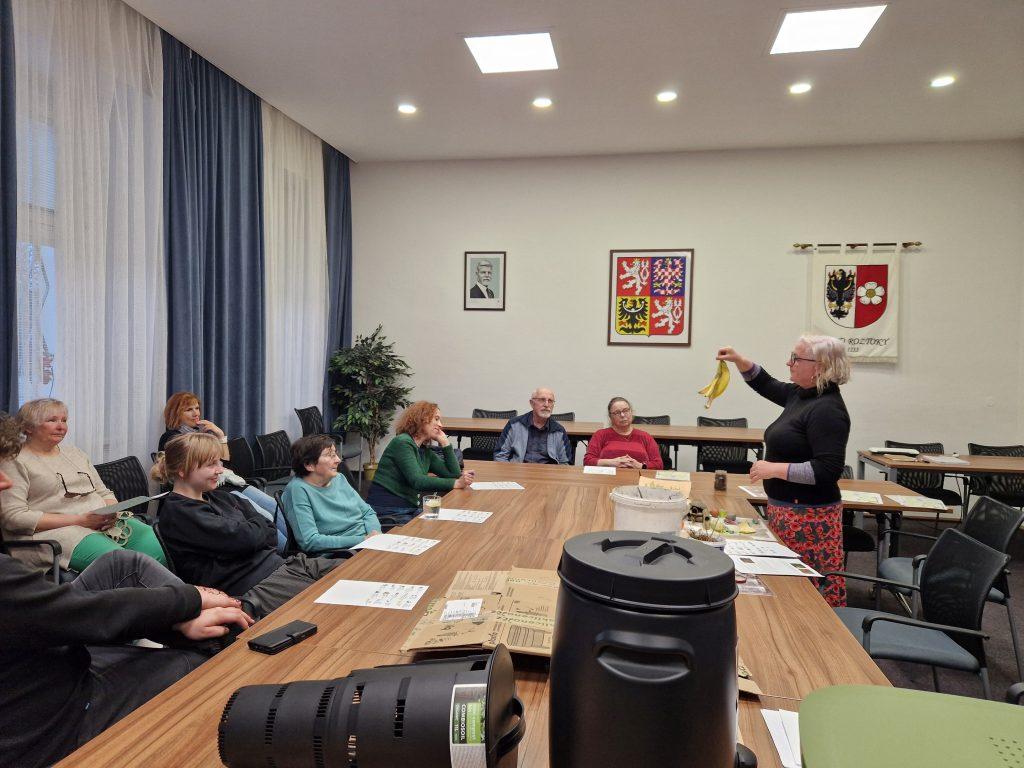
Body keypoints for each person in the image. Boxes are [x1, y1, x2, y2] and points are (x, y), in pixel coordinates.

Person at [0, 411, 253, 768]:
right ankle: (226, 635)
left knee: (124, 564)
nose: (4, 482)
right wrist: (187, 599)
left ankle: (206, 622)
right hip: (54, 720)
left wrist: (175, 612)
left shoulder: (73, 454)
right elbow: (73, 613)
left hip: (47, 652)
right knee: (195, 659)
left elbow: (49, 613)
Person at [717, 335, 851, 607]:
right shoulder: (801, 395)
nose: (789, 363)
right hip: (788, 511)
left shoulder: (828, 410)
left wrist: (773, 469)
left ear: (819, 366)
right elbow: (766, 384)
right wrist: (740, 360)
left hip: (810, 520)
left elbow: (827, 470)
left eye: (795, 358)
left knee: (806, 595)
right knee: (788, 589)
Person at [154, 433, 338, 619]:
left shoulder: (222, 497)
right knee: (333, 607)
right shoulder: (179, 514)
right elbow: (245, 538)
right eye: (211, 465)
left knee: (350, 572)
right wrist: (251, 532)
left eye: (219, 462)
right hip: (257, 586)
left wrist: (251, 534)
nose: (220, 470)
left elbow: (270, 529)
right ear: (182, 470)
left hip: (283, 565)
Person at [0, 398, 166, 571]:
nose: (61, 426)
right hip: (57, 532)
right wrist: (80, 520)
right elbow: (14, 517)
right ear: (28, 427)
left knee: (157, 547)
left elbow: (104, 492)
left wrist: (112, 512)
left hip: (101, 523)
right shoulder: (13, 460)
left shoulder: (75, 453)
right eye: (52, 420)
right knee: (123, 564)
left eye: (64, 420)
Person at [158, 391, 286, 552]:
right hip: (217, 489)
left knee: (274, 506)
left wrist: (220, 436)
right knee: (264, 517)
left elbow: (224, 465)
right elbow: (221, 467)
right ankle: (287, 550)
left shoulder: (200, 434)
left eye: (197, 408)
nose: (196, 413)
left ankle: (295, 546)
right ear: (175, 413)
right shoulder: (173, 439)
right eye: (189, 409)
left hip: (224, 486)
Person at [366, 401, 473, 523]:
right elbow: (418, 481)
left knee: (443, 524)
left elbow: (453, 474)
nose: (440, 425)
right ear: (422, 418)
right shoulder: (402, 442)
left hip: (407, 509)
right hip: (388, 510)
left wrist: (445, 443)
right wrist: (456, 483)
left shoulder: (424, 451)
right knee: (435, 527)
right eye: (436, 419)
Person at [281, 435, 381, 555]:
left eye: (335, 454)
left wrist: (375, 534)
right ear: (309, 465)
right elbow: (310, 541)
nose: (338, 460)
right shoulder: (298, 490)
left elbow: (367, 512)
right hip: (341, 553)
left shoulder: (339, 478)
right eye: (330, 455)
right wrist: (362, 540)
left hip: (367, 544)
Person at [494, 387, 573, 464]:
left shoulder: (559, 431)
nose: (546, 404)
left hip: (547, 472)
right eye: (542, 400)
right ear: (532, 403)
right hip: (518, 470)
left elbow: (565, 462)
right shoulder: (514, 425)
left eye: (550, 401)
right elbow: (500, 456)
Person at [584, 397, 664, 469]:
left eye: (626, 411)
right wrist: (611, 462)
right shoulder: (600, 435)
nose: (622, 415)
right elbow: (588, 461)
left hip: (638, 478)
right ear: (610, 417)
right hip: (608, 478)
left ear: (631, 412)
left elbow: (658, 464)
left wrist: (640, 466)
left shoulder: (645, 436)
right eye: (617, 412)